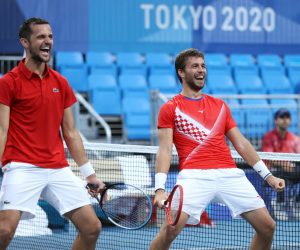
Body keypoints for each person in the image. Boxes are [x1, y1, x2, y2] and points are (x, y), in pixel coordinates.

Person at [149, 48, 285, 250]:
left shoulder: (220, 106)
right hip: (194, 176)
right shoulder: (170, 108)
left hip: (229, 174)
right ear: (181, 72)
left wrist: (268, 177)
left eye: (203, 66)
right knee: (170, 229)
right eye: (194, 66)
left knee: (267, 227)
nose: (201, 70)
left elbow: (241, 144)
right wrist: (159, 189)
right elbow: (165, 150)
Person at [0, 17, 104, 250]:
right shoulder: (8, 83)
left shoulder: (61, 83)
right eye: (40, 37)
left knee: (92, 228)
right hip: (22, 166)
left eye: (50, 37)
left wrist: (89, 174)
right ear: (25, 42)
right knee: (4, 231)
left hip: (57, 168)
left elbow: (71, 132)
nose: (47, 41)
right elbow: (2, 129)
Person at [262, 108, 300, 220]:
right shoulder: (268, 137)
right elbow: (269, 158)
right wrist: (285, 165)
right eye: (282, 117)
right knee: (282, 175)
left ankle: (297, 202)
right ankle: (279, 203)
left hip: (291, 171)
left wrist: (290, 166)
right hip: (271, 172)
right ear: (276, 121)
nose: (285, 120)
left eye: (287, 117)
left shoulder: (294, 138)